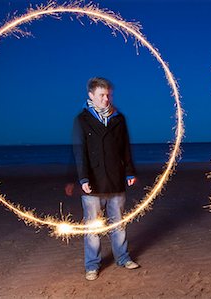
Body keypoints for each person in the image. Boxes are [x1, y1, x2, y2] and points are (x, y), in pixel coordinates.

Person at [73, 77, 140, 281]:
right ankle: (92, 265)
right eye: (102, 95)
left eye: (109, 94)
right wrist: (83, 178)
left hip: (116, 178)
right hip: (93, 181)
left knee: (118, 222)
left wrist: (129, 171)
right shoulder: (82, 120)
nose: (106, 99)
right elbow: (80, 151)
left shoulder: (118, 118)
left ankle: (123, 257)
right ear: (91, 96)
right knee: (93, 226)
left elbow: (125, 148)